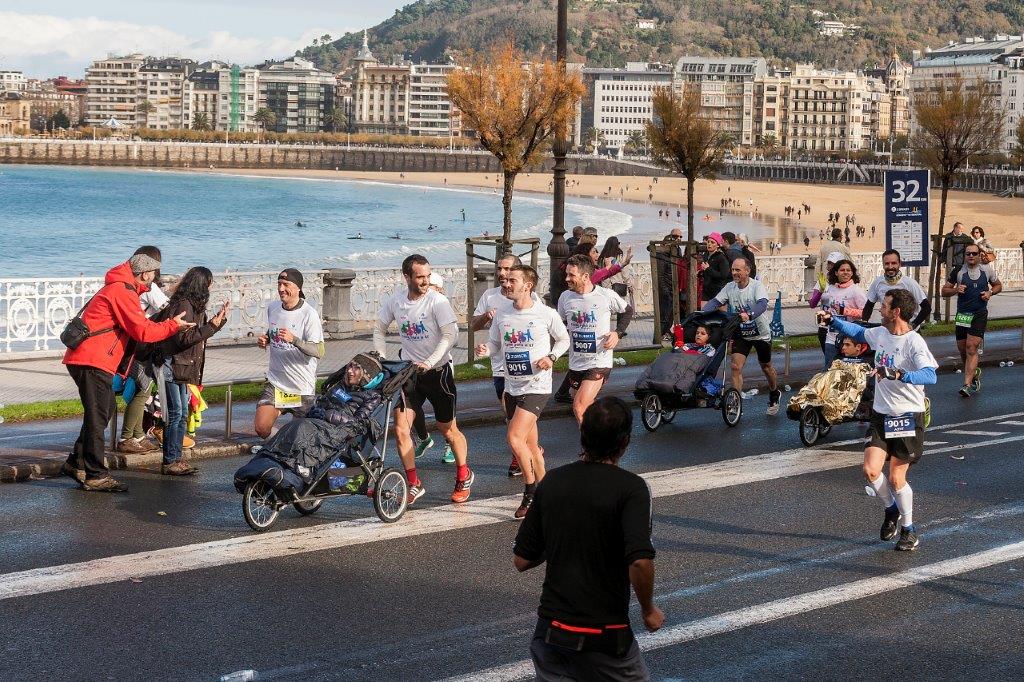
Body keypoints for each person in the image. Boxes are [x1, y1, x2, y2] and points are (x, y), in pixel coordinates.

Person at [514, 397, 662, 680]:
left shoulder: (552, 482)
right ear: (625, 442)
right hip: (605, 633)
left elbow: (521, 559)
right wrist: (648, 610)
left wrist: (562, 531)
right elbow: (640, 562)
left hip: (552, 630)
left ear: (583, 435)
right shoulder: (631, 489)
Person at [62, 252, 193, 492]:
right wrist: (173, 325)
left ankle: (76, 462)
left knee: (103, 411)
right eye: (153, 275)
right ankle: (95, 474)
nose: (154, 280)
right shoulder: (123, 291)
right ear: (144, 274)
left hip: (91, 358)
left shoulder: (120, 287)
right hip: (92, 359)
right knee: (98, 415)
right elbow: (142, 331)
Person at [824, 289, 938, 551]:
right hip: (881, 413)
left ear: (896, 311)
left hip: (907, 415)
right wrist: (832, 321)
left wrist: (899, 374)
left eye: (884, 306)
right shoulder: (881, 334)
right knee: (871, 470)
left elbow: (930, 376)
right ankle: (891, 510)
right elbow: (857, 332)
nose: (879, 309)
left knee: (897, 479)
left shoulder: (914, 342)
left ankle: (909, 530)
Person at [375, 254, 473, 504]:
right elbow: (379, 328)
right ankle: (413, 483)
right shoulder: (396, 301)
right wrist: (381, 357)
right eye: (420, 277)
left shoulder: (437, 301)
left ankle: (464, 474)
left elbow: (450, 335)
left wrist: (430, 361)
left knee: (448, 431)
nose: (425, 281)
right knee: (400, 430)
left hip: (438, 374)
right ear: (406, 277)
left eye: (428, 276)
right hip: (409, 375)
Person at [476, 265, 569, 518]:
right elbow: (496, 343)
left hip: (537, 386)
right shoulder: (502, 313)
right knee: (531, 444)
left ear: (527, 285)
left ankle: (530, 493)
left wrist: (551, 357)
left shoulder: (545, 313)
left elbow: (564, 339)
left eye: (512, 281)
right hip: (512, 385)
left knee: (514, 438)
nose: (506, 284)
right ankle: (550, 492)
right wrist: (487, 350)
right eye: (504, 281)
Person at [148, 267, 230, 475]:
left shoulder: (191, 304)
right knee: (176, 413)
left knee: (182, 413)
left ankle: (175, 458)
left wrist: (216, 323)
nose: (211, 288)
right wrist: (212, 325)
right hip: (173, 364)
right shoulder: (184, 305)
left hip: (182, 365)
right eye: (210, 284)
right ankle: (170, 461)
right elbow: (184, 338)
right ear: (202, 285)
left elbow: (195, 335)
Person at [471, 253, 532, 477]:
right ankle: (527, 450)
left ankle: (522, 454)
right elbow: (473, 325)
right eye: (499, 269)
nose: (501, 274)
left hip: (526, 367)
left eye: (506, 269)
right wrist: (486, 316)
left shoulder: (528, 295)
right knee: (510, 413)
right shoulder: (489, 295)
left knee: (522, 414)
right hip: (500, 366)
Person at [702, 257, 783, 415]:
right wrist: (700, 313)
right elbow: (716, 302)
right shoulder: (730, 287)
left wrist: (750, 314)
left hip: (760, 333)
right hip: (741, 333)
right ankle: (736, 402)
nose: (734, 273)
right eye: (733, 270)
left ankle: (774, 393)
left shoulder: (756, 286)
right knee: (735, 366)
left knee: (766, 367)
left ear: (747, 271)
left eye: (738, 270)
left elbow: (762, 304)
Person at [557, 254, 630, 424]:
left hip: (599, 361)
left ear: (585, 276)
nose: (567, 278)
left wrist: (617, 333)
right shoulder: (565, 298)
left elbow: (627, 310)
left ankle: (593, 448)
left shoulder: (605, 295)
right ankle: (610, 429)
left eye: (571, 275)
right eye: (566, 274)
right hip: (576, 362)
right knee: (588, 407)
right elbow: (561, 324)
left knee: (579, 407)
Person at [255, 269, 325, 439]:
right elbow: (273, 332)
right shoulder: (273, 308)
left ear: (298, 288)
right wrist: (266, 339)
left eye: (286, 284)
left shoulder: (309, 314)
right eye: (279, 284)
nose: (281, 289)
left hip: (301, 387)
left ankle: (288, 451)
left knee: (299, 437)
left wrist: (294, 340)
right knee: (261, 428)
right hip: (276, 383)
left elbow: (319, 351)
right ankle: (280, 445)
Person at [117, 245, 169, 454]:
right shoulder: (150, 289)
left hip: (130, 344)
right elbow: (168, 308)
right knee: (144, 389)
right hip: (140, 346)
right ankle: (126, 437)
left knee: (142, 389)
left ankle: (137, 435)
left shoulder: (132, 285)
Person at [941, 245, 1002, 398]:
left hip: (979, 314)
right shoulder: (958, 271)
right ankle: (974, 373)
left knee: (971, 347)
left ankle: (967, 385)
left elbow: (998, 285)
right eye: (968, 253)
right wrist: (956, 290)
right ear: (965, 256)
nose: (971, 256)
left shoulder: (987, 270)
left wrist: (990, 292)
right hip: (963, 314)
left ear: (979, 255)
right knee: (962, 349)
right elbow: (944, 291)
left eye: (974, 253)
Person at [810, 259, 867, 369]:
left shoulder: (856, 291)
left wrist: (844, 311)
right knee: (829, 369)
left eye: (848, 270)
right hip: (831, 337)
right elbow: (813, 303)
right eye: (842, 270)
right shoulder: (831, 288)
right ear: (836, 272)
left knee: (846, 371)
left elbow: (865, 313)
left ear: (852, 273)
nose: (845, 272)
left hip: (849, 339)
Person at [862, 249, 930, 328]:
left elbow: (926, 307)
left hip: (909, 331)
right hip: (889, 330)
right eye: (887, 264)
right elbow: (869, 305)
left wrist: (913, 325)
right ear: (883, 265)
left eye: (893, 263)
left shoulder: (910, 283)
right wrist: (864, 323)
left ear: (899, 264)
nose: (890, 267)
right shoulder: (877, 282)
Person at [698, 232, 731, 307]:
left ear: (718, 245)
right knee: (704, 313)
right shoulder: (705, 255)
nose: (709, 244)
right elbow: (706, 272)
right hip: (706, 290)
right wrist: (700, 272)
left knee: (720, 315)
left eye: (712, 242)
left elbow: (724, 275)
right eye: (708, 242)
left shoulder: (721, 257)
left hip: (718, 291)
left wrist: (707, 269)